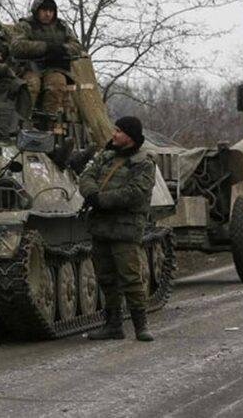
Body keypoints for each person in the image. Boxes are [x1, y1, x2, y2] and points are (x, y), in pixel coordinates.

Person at [79, 116, 156, 342]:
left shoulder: (144, 163)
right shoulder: (105, 156)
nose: (114, 134)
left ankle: (141, 326)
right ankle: (113, 325)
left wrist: (100, 200)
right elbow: (86, 176)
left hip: (125, 228)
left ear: (130, 137)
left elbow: (135, 193)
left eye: (119, 131)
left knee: (130, 277)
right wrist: (92, 193)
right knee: (106, 277)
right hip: (101, 226)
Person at [10, 0, 84, 116]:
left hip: (54, 68)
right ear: (37, 10)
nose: (48, 14)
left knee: (57, 85)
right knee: (31, 85)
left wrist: (62, 49)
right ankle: (24, 120)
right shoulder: (25, 25)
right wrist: (45, 47)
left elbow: (76, 46)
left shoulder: (62, 27)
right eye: (44, 10)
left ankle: (50, 120)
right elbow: (17, 46)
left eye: (51, 11)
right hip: (29, 67)